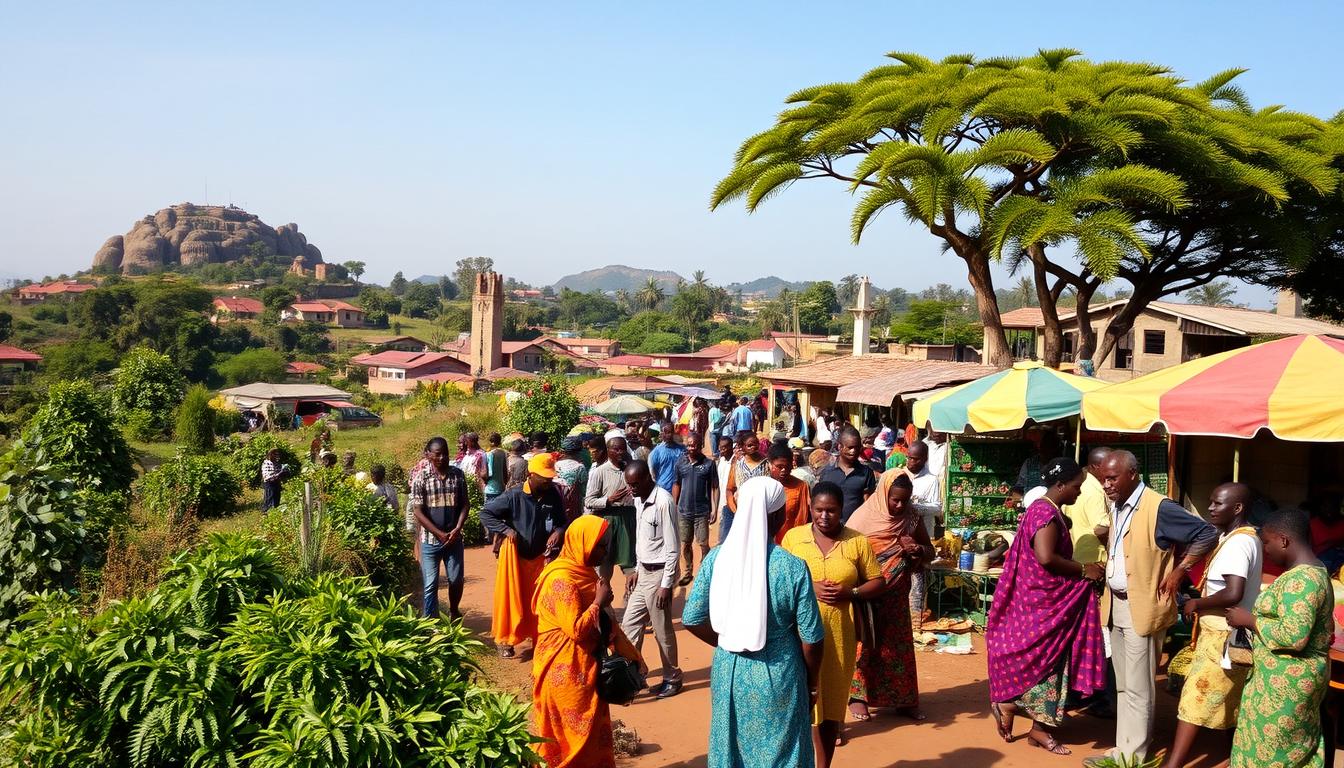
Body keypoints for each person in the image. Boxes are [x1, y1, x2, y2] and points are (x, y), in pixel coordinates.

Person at [1084, 450, 1217, 765]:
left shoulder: (1160, 507)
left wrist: (1181, 569)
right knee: (1124, 684)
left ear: (1132, 474)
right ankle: (1123, 749)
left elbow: (1206, 532)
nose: (1106, 484)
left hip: (1142, 607)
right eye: (1103, 479)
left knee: (1140, 687)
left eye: (1112, 478)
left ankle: (1135, 755)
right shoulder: (1117, 504)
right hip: (1116, 604)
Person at [682, 476, 825, 768]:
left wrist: (730, 637)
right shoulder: (792, 567)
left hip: (729, 670)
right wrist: (812, 685)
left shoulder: (715, 559)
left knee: (730, 745)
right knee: (783, 752)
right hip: (779, 672)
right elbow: (811, 638)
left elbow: (692, 618)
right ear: (776, 516)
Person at [987, 458, 1106, 756]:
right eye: (1077, 487)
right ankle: (1020, 711)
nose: (1079, 493)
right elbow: (1045, 557)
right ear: (1061, 485)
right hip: (1045, 604)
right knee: (1049, 661)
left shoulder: (1042, 509)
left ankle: (1036, 726)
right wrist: (1083, 570)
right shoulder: (1046, 513)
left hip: (1043, 601)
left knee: (1049, 664)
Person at [781, 481, 883, 767]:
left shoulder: (857, 541)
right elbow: (779, 579)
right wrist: (809, 587)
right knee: (799, 705)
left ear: (842, 511)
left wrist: (849, 593)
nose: (824, 516)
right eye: (819, 510)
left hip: (839, 638)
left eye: (832, 511)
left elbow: (877, 581)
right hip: (797, 638)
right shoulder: (793, 538)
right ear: (810, 508)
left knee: (830, 710)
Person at [1160, 483, 1262, 768]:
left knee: (1195, 699)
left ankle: (1174, 764)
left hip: (1221, 633)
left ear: (1238, 508)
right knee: (1230, 701)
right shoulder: (1240, 537)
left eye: (1218, 504)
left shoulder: (1239, 542)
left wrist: (1197, 604)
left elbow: (1233, 592)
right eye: (1211, 502)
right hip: (1222, 632)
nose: (1211, 508)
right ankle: (1237, 757)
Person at [532, 516, 645, 768]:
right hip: (565, 675)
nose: (605, 553)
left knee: (592, 740)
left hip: (588, 673)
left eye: (606, 546)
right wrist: (598, 602)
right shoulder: (561, 579)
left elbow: (607, 626)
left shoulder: (584, 574)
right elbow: (576, 630)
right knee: (571, 743)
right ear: (582, 543)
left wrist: (634, 657)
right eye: (600, 546)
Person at [1227, 507, 1333, 768]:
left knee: (1274, 752)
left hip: (1287, 684)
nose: (1265, 550)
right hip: (1283, 679)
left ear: (1284, 540)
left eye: (1266, 542)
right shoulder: (1315, 572)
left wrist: (1249, 620)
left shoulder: (1303, 580)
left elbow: (1294, 635)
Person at [847, 471, 933, 724]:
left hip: (897, 597)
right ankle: (857, 698)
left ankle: (903, 699)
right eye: (895, 500)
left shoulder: (912, 518)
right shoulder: (862, 519)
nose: (899, 506)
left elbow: (929, 551)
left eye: (904, 501)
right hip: (869, 595)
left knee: (898, 647)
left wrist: (917, 549)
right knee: (866, 644)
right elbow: (849, 556)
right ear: (884, 494)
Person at [481, 453, 567, 659]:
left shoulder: (553, 494)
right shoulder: (513, 496)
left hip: (541, 558)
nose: (548, 481)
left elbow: (563, 521)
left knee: (540, 602)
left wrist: (558, 532)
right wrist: (506, 531)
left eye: (550, 477)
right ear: (531, 474)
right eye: (544, 477)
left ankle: (540, 638)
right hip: (516, 559)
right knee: (511, 600)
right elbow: (486, 514)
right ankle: (506, 640)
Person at [620, 460, 684, 698]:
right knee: (629, 623)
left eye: (635, 484)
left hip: (660, 575)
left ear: (648, 478)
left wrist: (666, 585)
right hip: (644, 572)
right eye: (629, 485)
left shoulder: (664, 502)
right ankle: (633, 673)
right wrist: (636, 568)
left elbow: (672, 546)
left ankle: (673, 677)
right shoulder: (639, 500)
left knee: (662, 629)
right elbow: (642, 539)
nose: (631, 489)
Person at [410, 436, 470, 620]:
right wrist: (439, 533)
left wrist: (458, 528)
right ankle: (431, 622)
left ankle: (453, 611)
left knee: (456, 580)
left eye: (445, 453)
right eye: (438, 454)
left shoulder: (457, 475)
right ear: (428, 455)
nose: (442, 458)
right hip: (430, 541)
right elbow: (418, 511)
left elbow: (465, 504)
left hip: (454, 539)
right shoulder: (421, 478)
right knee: (430, 583)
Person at [584, 431, 638, 581]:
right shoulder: (599, 472)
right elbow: (589, 501)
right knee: (604, 563)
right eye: (616, 449)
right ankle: (604, 602)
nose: (621, 452)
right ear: (608, 451)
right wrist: (608, 500)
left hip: (627, 519)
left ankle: (631, 598)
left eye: (623, 448)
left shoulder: (630, 469)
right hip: (606, 521)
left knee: (629, 562)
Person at [672, 430, 718, 586]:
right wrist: (675, 504)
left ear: (700, 446)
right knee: (685, 544)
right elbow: (676, 484)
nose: (692, 448)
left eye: (695, 446)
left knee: (703, 543)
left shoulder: (709, 464)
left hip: (701, 512)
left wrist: (714, 509)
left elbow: (715, 487)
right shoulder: (680, 463)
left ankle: (704, 572)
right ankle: (688, 572)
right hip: (684, 511)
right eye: (689, 445)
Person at [1063, 447, 1112, 567]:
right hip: (1094, 560)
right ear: (1095, 467)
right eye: (1109, 466)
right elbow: (1100, 529)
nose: (1113, 469)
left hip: (1076, 556)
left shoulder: (1078, 484)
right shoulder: (1095, 490)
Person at [818, 427, 877, 524]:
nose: (853, 451)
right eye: (850, 447)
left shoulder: (866, 473)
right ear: (839, 447)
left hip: (856, 528)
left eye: (857, 447)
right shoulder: (827, 473)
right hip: (831, 527)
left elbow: (868, 504)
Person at [724, 431, 770, 541]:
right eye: (749, 445)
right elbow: (729, 489)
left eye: (756, 444)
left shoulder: (767, 464)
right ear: (742, 447)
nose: (753, 447)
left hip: (761, 513)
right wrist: (735, 510)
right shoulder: (737, 465)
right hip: (742, 513)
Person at [768, 441, 811, 544]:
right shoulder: (763, 486)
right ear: (769, 464)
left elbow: (801, 519)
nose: (784, 470)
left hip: (789, 542)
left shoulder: (800, 486)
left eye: (787, 467)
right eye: (779, 467)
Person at [553, 436, 590, 521]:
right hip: (574, 506)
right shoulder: (579, 467)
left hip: (558, 502)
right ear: (578, 452)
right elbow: (584, 490)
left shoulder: (556, 465)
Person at [648, 420, 686, 493]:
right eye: (665, 432)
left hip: (680, 489)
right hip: (663, 491)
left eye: (670, 432)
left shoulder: (682, 449)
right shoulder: (656, 453)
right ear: (661, 434)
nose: (668, 435)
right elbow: (653, 475)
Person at [715, 435, 734, 545]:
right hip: (721, 501)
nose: (721, 450)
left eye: (724, 448)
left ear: (730, 447)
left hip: (729, 503)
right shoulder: (721, 461)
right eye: (720, 447)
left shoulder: (735, 463)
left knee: (725, 533)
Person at [484, 432, 508, 504]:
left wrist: (484, 480)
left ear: (492, 442)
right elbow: (505, 470)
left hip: (491, 489)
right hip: (501, 488)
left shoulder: (490, 454)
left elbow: (489, 473)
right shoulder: (503, 453)